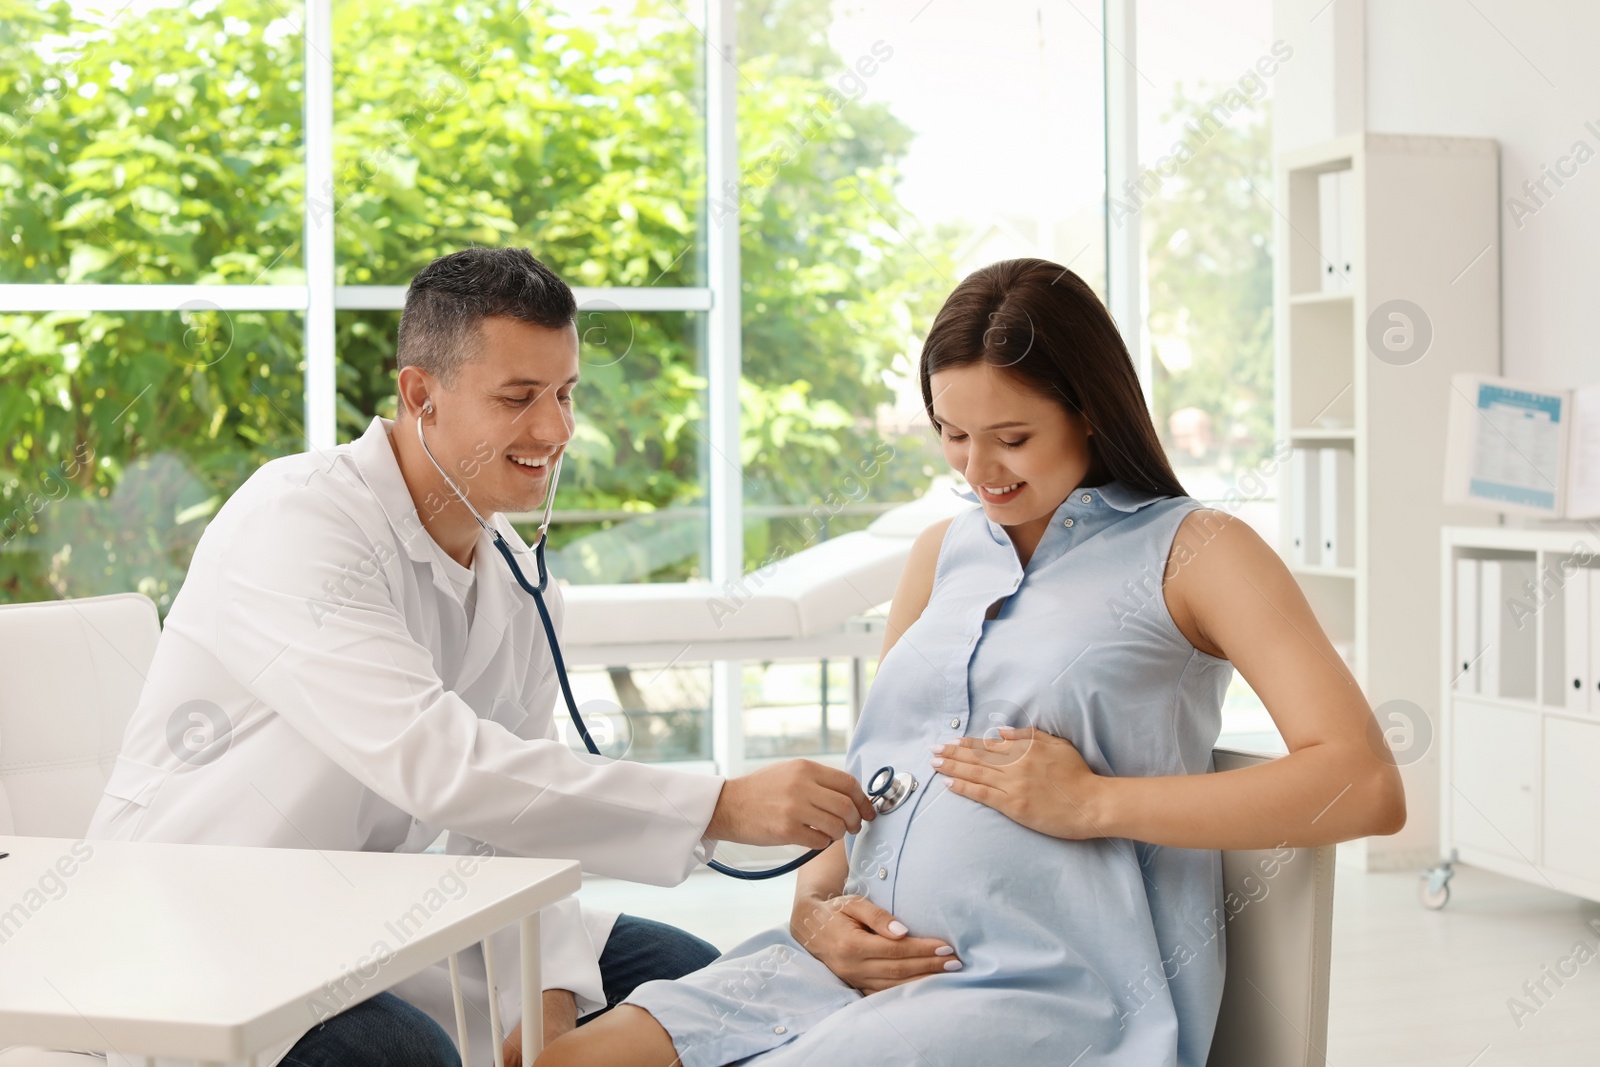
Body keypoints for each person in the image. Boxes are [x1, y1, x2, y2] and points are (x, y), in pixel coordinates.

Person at [534, 258, 1407, 1066]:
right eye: (952, 432)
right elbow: (877, 775)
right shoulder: (941, 551)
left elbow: (1365, 784)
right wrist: (813, 911)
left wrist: (1097, 801)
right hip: (839, 965)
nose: (977, 468)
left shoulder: (1199, 550)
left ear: (1091, 410)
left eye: (1013, 437)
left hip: (1036, 990)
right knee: (563, 1059)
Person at [86, 247, 876, 1067]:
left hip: (360, 926)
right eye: (518, 397)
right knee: (403, 1053)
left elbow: (511, 829)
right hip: (197, 927)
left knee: (686, 976)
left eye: (566, 393)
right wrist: (720, 804)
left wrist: (549, 1008)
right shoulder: (298, 521)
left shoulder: (514, 577)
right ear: (420, 394)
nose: (555, 430)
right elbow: (438, 764)